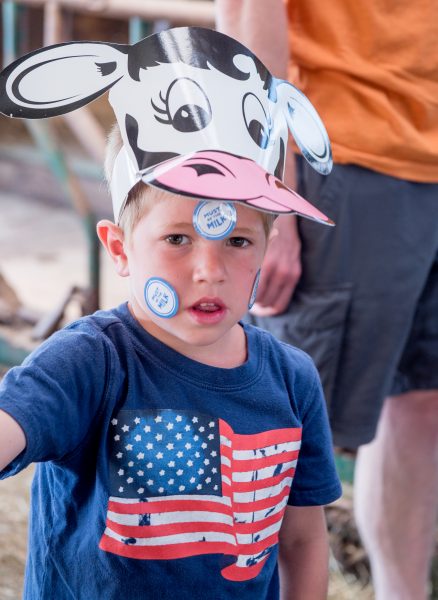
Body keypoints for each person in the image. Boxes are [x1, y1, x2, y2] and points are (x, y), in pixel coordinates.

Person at [0, 27, 342, 599]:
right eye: (178, 239)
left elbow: (303, 539)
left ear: (267, 246)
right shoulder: (89, 361)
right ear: (120, 249)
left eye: (237, 242)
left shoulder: (292, 379)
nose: (209, 270)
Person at [216, 2, 438, 599]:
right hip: (341, 145)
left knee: (423, 407)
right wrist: (270, 189)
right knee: (282, 439)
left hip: (426, 155)